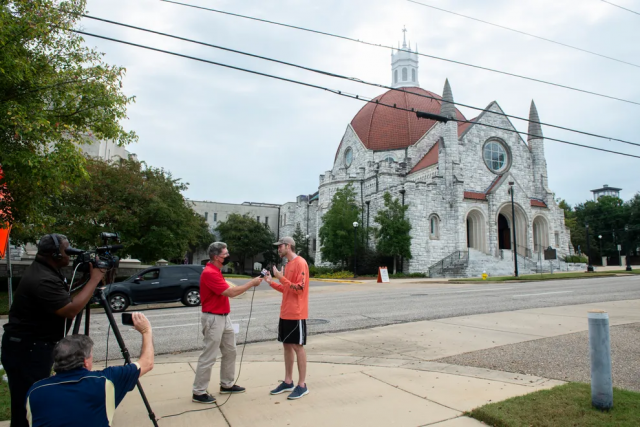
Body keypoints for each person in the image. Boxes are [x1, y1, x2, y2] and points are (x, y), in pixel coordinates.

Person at [1, 234, 105, 427]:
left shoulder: (47, 270)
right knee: (28, 403)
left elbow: (64, 298)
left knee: (29, 401)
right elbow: (70, 310)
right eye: (68, 250)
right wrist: (94, 280)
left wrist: (85, 280)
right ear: (55, 254)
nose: (70, 255)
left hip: (31, 346)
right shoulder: (42, 278)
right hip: (27, 350)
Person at [25, 313, 154, 427]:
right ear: (86, 362)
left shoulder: (35, 391)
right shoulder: (105, 381)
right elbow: (147, 363)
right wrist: (146, 331)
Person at [192, 242, 262, 404]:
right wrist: (251, 283)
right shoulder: (210, 273)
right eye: (225, 254)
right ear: (216, 257)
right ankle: (199, 391)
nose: (228, 256)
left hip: (224, 316)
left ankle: (227, 384)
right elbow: (230, 292)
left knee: (230, 351)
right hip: (213, 318)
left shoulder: (216, 270)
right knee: (209, 355)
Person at [264, 236, 310, 400]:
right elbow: (286, 289)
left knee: (298, 347)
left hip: (296, 313)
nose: (278, 249)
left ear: (288, 246)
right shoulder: (288, 264)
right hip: (285, 312)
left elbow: (299, 288)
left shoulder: (300, 263)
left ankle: (302, 385)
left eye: (280, 246)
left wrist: (280, 277)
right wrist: (271, 282)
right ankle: (288, 381)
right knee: (286, 345)